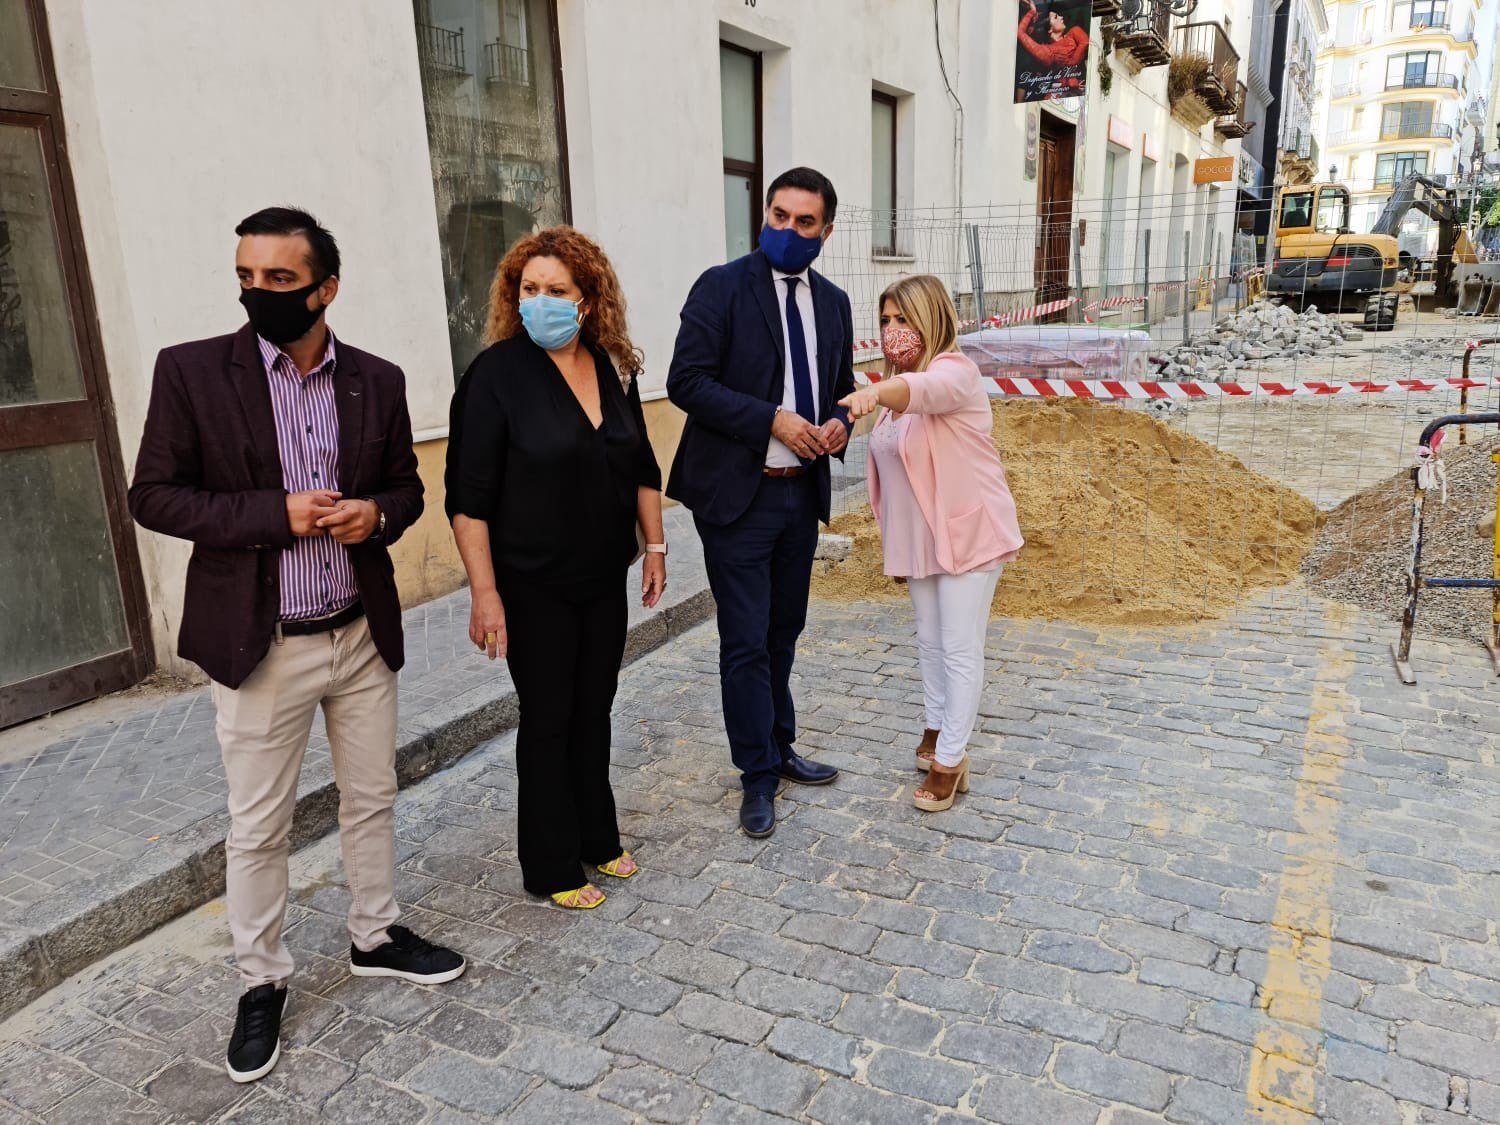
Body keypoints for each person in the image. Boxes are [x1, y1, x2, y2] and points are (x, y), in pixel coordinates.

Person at [128, 207, 465, 1085]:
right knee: (258, 825)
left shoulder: (378, 381)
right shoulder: (194, 373)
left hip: (356, 630)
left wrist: (377, 515)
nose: (257, 293)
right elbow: (155, 496)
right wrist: (269, 515)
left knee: (372, 794)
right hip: (259, 643)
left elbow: (406, 489)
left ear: (326, 288)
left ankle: (375, 932)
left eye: (279, 280)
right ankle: (261, 981)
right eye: (246, 276)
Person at [446, 226, 665, 910]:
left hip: (602, 578)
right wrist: (486, 595)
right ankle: (550, 862)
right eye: (529, 289)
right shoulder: (496, 377)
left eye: (557, 290)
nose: (540, 301)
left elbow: (642, 466)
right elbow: (467, 499)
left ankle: (596, 836)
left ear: (590, 299)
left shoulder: (611, 365)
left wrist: (654, 546)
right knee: (548, 716)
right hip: (531, 582)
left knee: (594, 709)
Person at [666, 167, 855, 838]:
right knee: (745, 641)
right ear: (764, 216)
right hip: (737, 500)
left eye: (805, 222)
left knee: (784, 632)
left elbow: (841, 387)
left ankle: (780, 745)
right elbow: (685, 380)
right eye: (779, 216)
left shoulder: (833, 302)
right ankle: (756, 775)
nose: (789, 230)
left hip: (799, 498)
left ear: (825, 231)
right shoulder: (722, 288)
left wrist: (840, 422)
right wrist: (770, 419)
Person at [838, 275, 1024, 813]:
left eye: (904, 320)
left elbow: (925, 392)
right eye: (887, 321)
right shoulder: (895, 391)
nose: (894, 331)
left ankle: (952, 758)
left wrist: (875, 390)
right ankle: (938, 724)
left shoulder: (954, 373)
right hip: (919, 542)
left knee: (961, 646)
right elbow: (893, 475)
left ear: (932, 319)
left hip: (969, 533)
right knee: (929, 640)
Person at [1018, 0, 1089, 69]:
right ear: (1049, 30)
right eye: (1056, 17)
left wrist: (1073, 61)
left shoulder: (1073, 33)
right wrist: (1032, 12)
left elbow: (1085, 42)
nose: (1061, 17)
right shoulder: (1046, 52)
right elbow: (1020, 33)